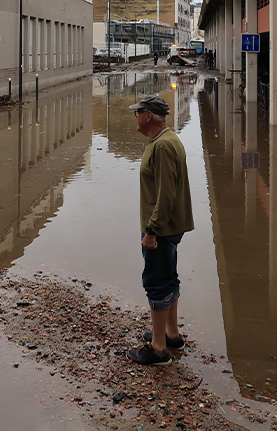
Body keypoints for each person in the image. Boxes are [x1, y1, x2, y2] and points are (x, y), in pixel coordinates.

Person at [126, 94, 194, 366]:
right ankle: (170, 334)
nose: (135, 118)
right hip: (170, 226)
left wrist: (151, 231)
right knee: (169, 278)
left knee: (156, 283)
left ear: (148, 116)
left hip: (162, 229)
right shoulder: (167, 140)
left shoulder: (163, 147)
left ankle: (157, 349)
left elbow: (166, 195)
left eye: (137, 113)